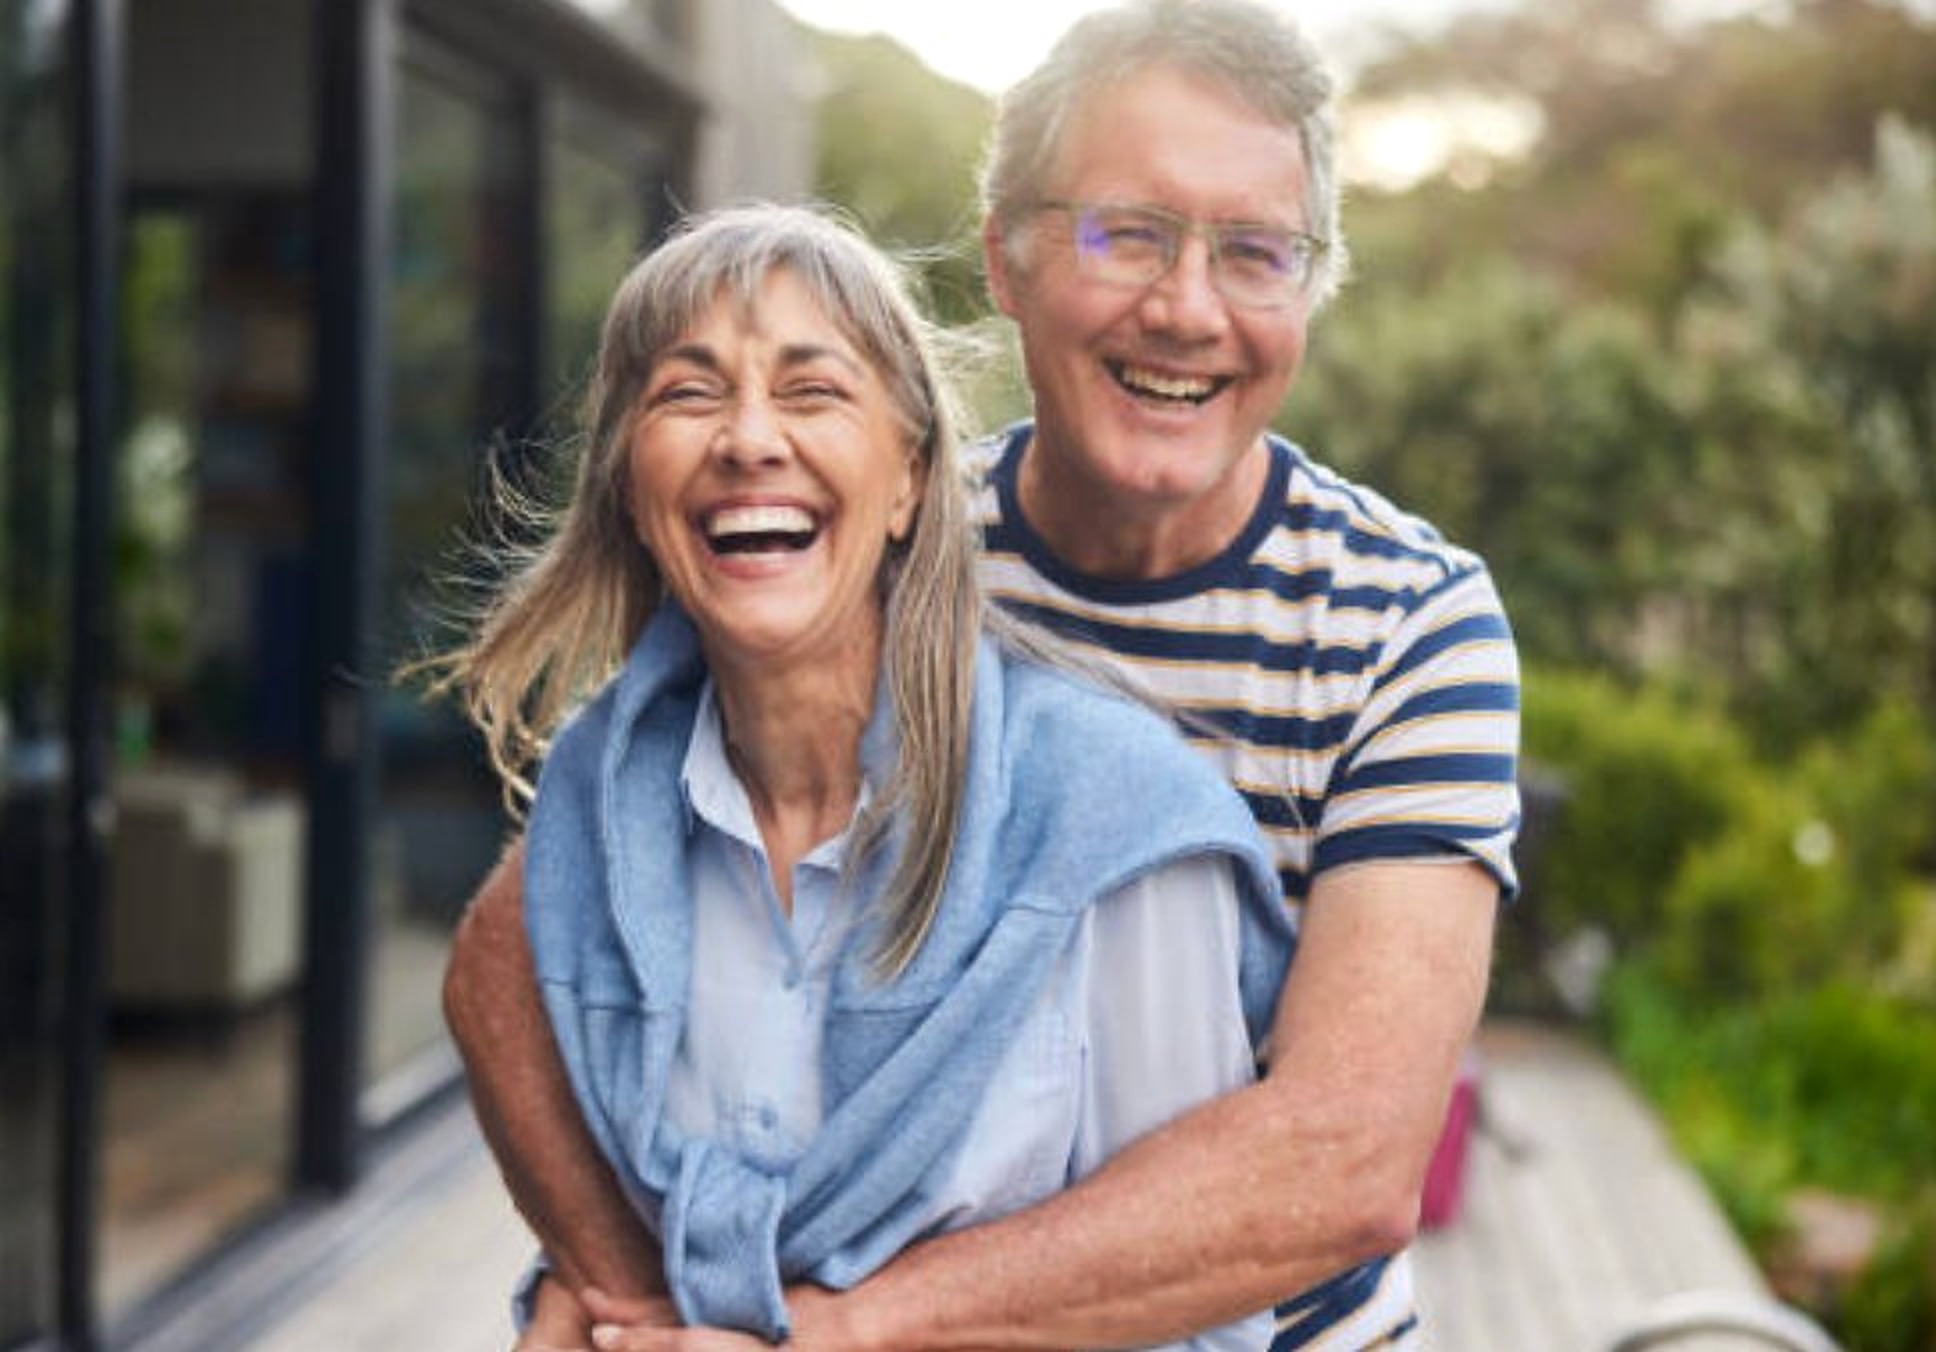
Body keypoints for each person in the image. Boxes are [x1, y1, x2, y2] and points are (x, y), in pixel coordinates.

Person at [443, 2, 1521, 1348]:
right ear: (1006, 258)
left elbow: (1347, 1164)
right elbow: (519, 934)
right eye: (1127, 232)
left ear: (1305, 293)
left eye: (1255, 254)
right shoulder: (863, 533)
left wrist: (842, 1335)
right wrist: (617, 1282)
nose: (1185, 309)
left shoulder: (1407, 620)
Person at [432, 201, 1298, 1350]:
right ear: (634, 495)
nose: (748, 438)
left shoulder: (1106, 821)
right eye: (689, 393)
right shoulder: (603, 815)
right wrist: (600, 1286)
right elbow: (489, 981)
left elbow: (1202, 1323)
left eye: (811, 391)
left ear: (907, 483)